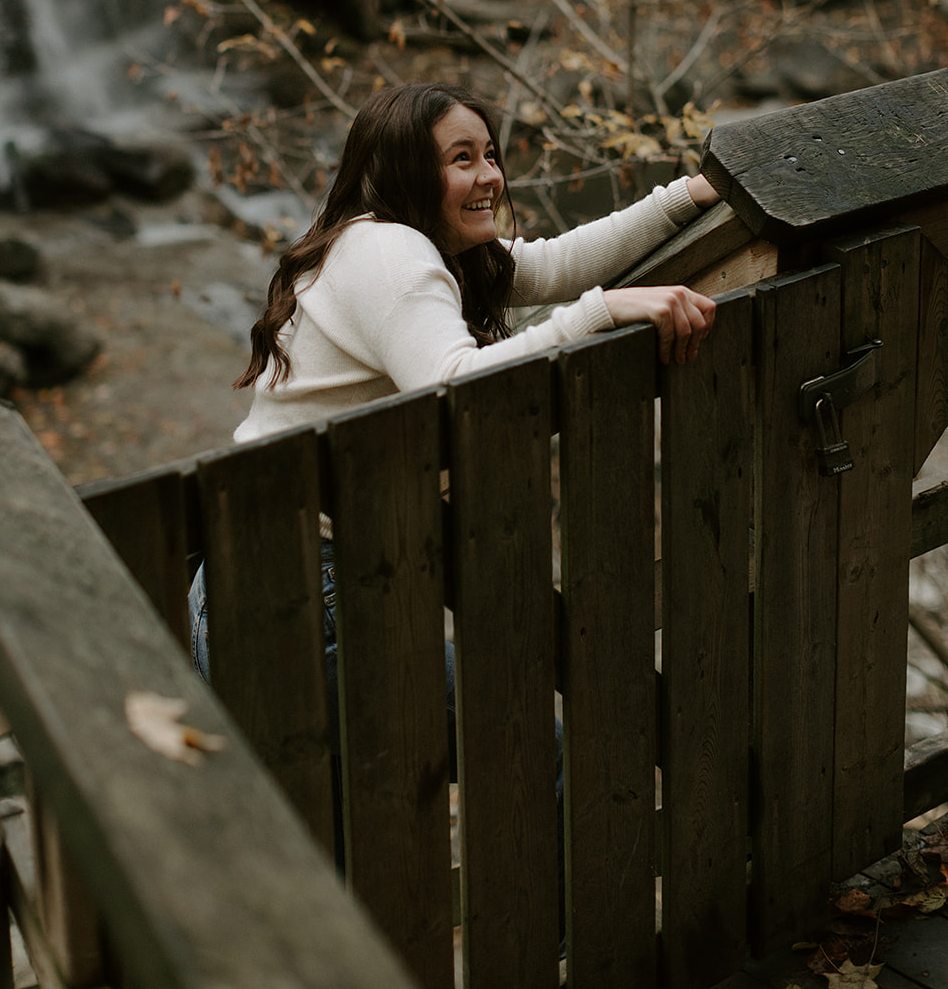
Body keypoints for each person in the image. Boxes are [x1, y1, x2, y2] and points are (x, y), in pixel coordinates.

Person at [189, 82, 718, 902]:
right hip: (297, 597)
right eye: (460, 159)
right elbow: (451, 384)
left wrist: (692, 194)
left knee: (328, 844)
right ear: (403, 170)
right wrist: (601, 315)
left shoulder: (402, 248)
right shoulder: (391, 255)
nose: (489, 176)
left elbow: (558, 261)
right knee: (522, 752)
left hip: (258, 581)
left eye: (491, 154)